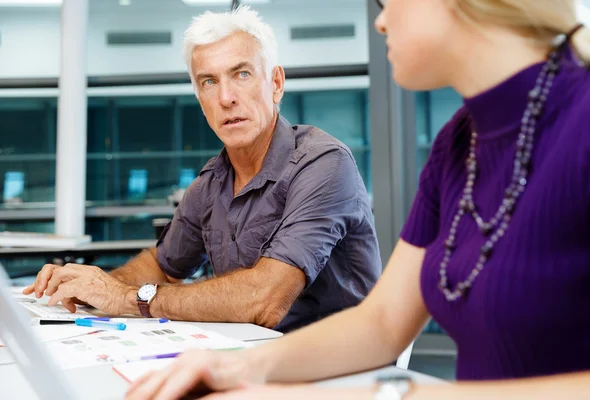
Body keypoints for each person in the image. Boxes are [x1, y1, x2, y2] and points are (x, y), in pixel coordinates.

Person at [124, 0, 590, 399]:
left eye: (388, 1)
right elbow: (384, 321)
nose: (381, 21)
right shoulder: (457, 144)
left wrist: (396, 394)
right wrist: (238, 369)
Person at [23, 6, 381, 333]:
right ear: (200, 100)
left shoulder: (323, 163)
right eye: (209, 82)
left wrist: (126, 298)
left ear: (275, 83)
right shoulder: (211, 183)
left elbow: (266, 301)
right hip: (247, 358)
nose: (226, 97)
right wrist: (92, 288)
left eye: (241, 74)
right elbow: (162, 265)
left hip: (335, 368)